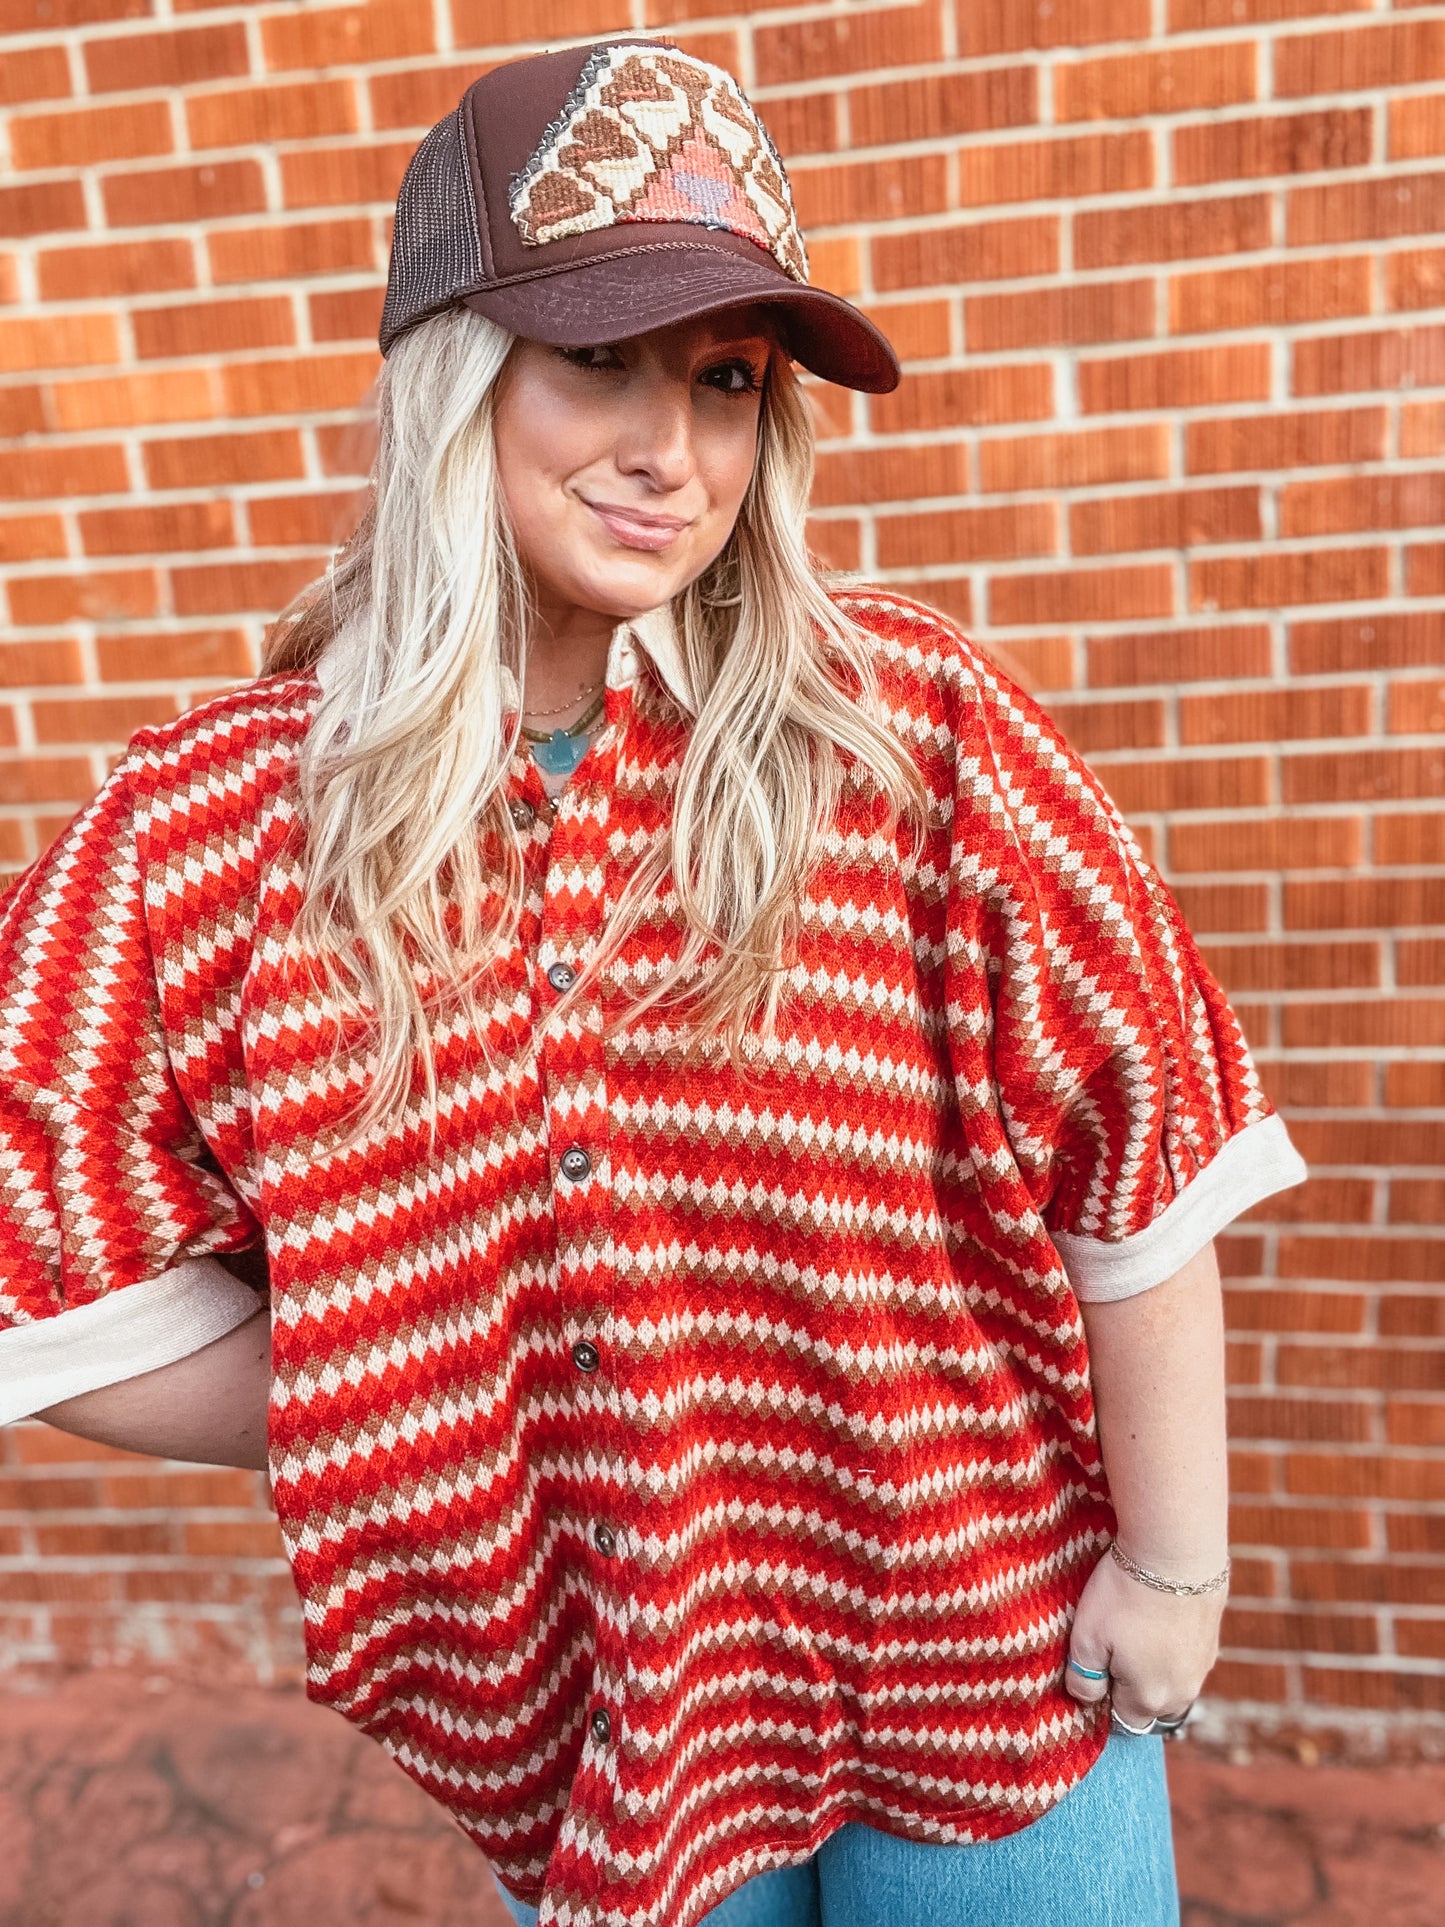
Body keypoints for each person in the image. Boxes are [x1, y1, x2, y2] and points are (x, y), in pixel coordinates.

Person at [0, 38, 1306, 1927]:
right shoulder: (217, 827)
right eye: (595, 357)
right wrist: (395, 1369)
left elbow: (1145, 1143)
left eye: (722, 383)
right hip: (608, 1710)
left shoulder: (905, 736)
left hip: (984, 1649)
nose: (666, 450)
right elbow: (42, 1233)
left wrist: (1173, 1576)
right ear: (457, 371)